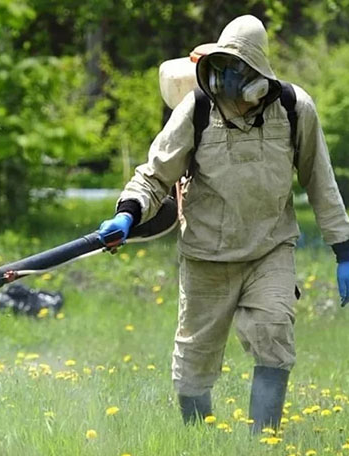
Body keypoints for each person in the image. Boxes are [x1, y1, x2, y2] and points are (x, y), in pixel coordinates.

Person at [97, 15, 349, 433]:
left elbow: (320, 180)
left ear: (255, 72)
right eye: (221, 68)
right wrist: (128, 212)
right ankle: (200, 445)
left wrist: (343, 249)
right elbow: (155, 174)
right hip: (205, 255)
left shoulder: (293, 107)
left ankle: (262, 444)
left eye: (235, 69)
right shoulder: (195, 108)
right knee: (193, 363)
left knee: (274, 334)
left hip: (269, 249)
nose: (226, 79)